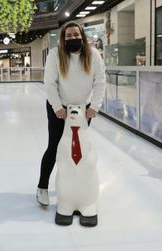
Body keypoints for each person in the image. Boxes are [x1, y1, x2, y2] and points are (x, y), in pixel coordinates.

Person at [36, 21, 106, 206]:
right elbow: (50, 83)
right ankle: (42, 187)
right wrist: (58, 107)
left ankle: (76, 187)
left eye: (76, 34)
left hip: (84, 110)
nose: (73, 38)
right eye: (69, 36)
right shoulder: (55, 55)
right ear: (63, 38)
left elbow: (100, 81)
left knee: (78, 148)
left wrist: (95, 107)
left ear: (82, 36)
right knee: (55, 147)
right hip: (59, 109)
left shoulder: (92, 54)